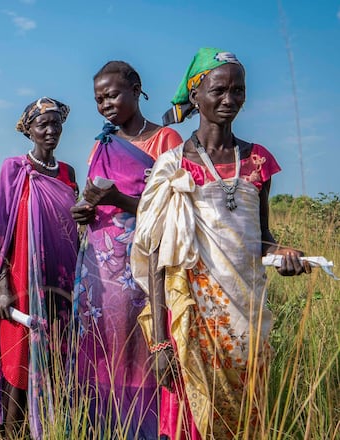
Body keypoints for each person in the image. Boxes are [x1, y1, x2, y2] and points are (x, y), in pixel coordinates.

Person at [131, 48, 310, 440]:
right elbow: (156, 259)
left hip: (247, 322)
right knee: (191, 423)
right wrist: (160, 342)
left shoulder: (259, 160)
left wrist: (283, 254)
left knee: (247, 420)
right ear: (195, 95)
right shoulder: (173, 165)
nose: (230, 100)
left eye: (238, 90)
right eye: (219, 90)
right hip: (192, 321)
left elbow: (263, 239)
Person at [71, 61, 183, 438]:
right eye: (99, 98)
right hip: (100, 274)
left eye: (113, 94)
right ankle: (104, 428)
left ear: (136, 89)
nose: (105, 104)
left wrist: (117, 197)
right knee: (102, 351)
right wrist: (85, 211)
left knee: (143, 348)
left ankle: (147, 429)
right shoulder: (100, 143)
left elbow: (175, 209)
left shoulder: (166, 141)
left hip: (145, 269)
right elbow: (95, 201)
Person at [0, 97, 80, 439]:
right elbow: (2, 232)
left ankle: (53, 428)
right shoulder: (14, 168)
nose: (51, 131)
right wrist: (1, 285)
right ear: (28, 130)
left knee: (58, 355)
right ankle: (12, 432)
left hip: (61, 279)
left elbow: (72, 225)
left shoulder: (68, 172)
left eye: (56, 124)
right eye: (42, 125)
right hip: (22, 279)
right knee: (20, 358)